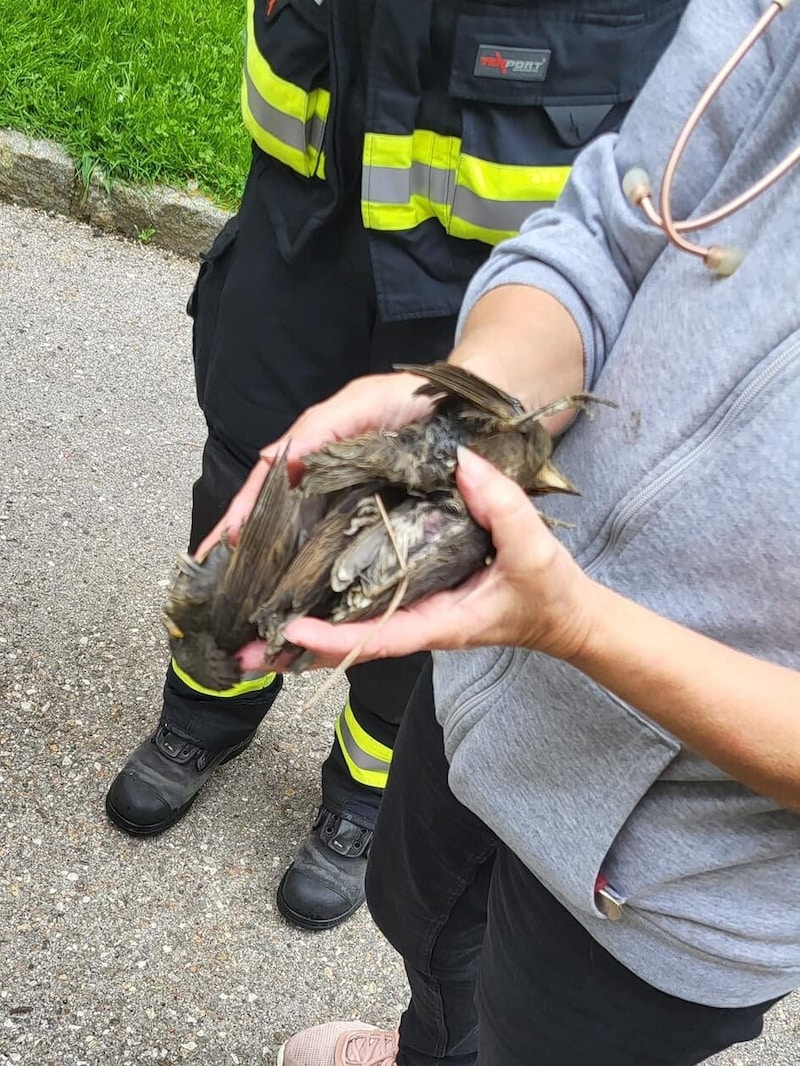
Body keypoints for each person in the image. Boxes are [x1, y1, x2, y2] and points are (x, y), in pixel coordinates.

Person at [205, 0, 800, 1061]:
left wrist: (573, 625)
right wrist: (467, 403)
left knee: (538, 1034)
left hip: (666, 892)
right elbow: (611, 230)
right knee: (425, 930)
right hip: (489, 673)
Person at [104, 0, 688, 930]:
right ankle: (207, 709)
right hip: (306, 217)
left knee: (426, 554)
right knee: (251, 485)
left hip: (508, 260)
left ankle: (364, 789)